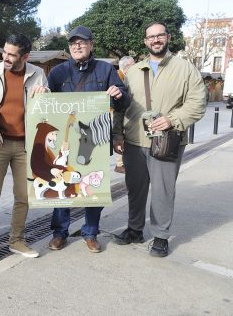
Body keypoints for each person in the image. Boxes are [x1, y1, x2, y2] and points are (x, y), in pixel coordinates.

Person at [112, 22, 206, 257]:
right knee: (135, 189)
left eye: (159, 35)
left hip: (167, 140)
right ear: (145, 41)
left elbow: (198, 103)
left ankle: (161, 236)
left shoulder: (185, 69)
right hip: (134, 140)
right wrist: (118, 134)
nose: (155, 40)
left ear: (168, 37)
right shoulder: (133, 71)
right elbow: (121, 106)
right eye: (150, 37)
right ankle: (135, 229)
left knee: (163, 191)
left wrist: (172, 120)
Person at [47, 26, 130, 253]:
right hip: (66, 142)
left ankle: (90, 232)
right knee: (62, 188)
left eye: (82, 42)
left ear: (91, 44)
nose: (77, 46)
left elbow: (124, 102)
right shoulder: (57, 73)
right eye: (73, 43)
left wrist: (119, 94)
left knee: (94, 187)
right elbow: (46, 106)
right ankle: (59, 233)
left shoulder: (106, 70)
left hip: (97, 142)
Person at [0, 33, 49, 264]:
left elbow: (46, 109)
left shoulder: (38, 74)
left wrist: (46, 94)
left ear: (25, 56)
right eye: (4, 52)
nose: (5, 57)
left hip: (26, 145)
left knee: (23, 196)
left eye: (11, 54)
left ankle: (16, 240)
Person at [114, 56, 136, 174]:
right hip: (114, 112)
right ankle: (119, 164)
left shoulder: (122, 76)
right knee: (118, 135)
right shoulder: (117, 76)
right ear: (127, 67)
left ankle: (121, 162)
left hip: (119, 111)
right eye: (134, 65)